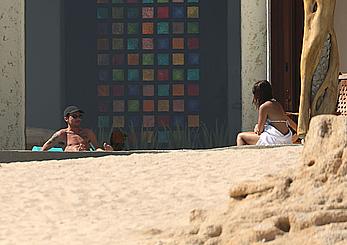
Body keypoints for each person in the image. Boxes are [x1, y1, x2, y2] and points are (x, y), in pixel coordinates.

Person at [236, 80, 298, 146]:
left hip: (274, 139)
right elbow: (295, 126)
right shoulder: (277, 104)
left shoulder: (264, 107)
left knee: (240, 136)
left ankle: (240, 155)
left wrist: (256, 127)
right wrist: (293, 138)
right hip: (285, 138)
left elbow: (259, 130)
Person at [42, 105, 113, 152]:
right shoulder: (63, 134)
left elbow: (96, 148)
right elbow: (44, 149)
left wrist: (106, 151)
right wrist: (73, 149)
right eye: (74, 116)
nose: (78, 118)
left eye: (80, 116)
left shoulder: (87, 133)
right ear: (66, 119)